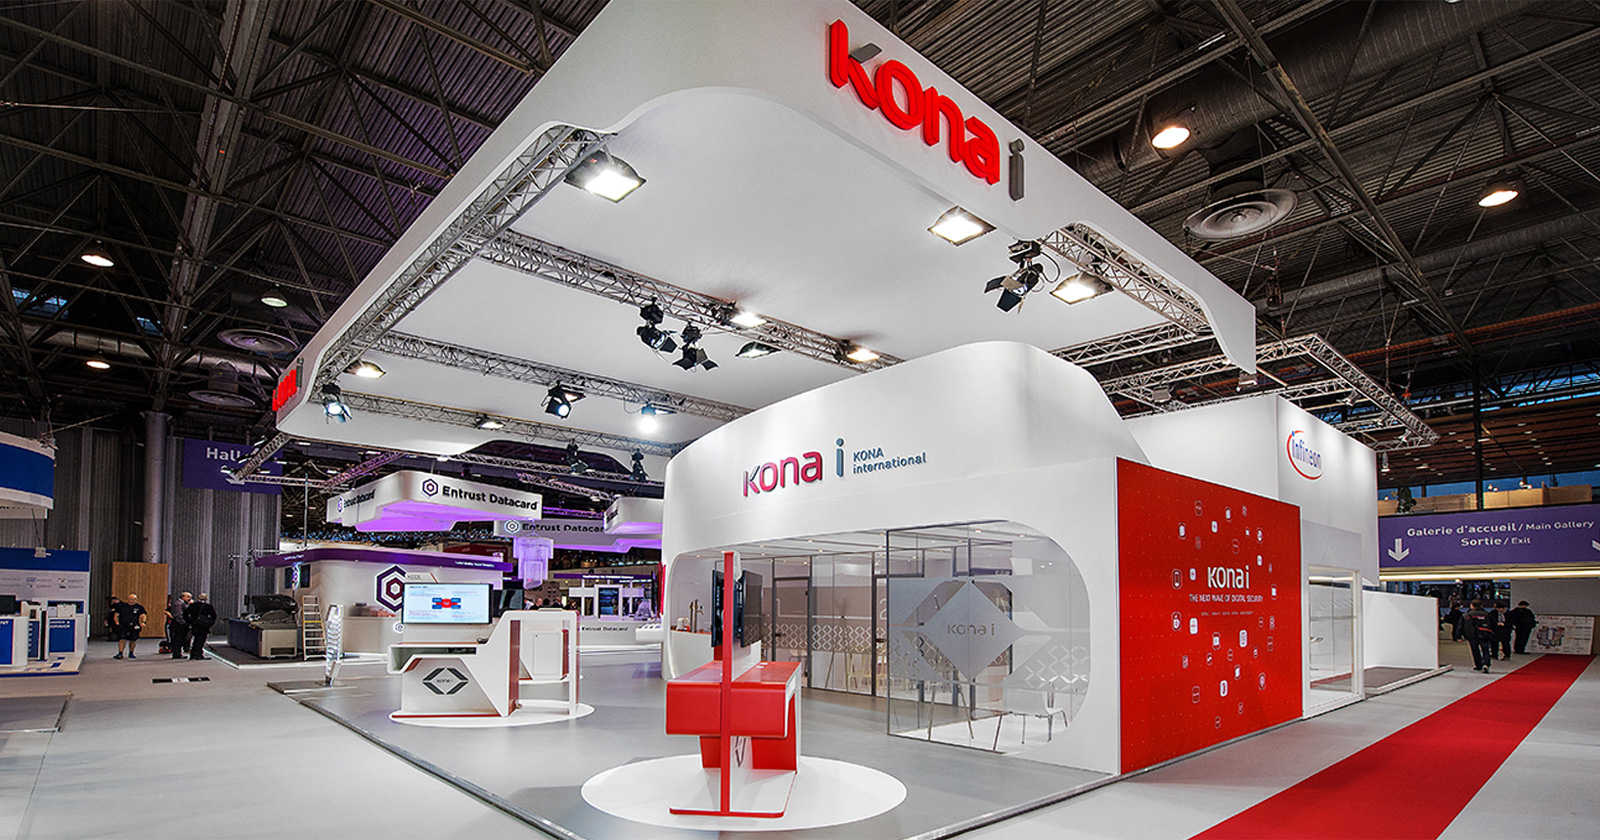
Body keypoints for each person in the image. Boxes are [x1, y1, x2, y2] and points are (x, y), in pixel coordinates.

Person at [1461, 599, 1496, 673]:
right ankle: (1486, 664)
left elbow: (1461, 625)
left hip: (1472, 635)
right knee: (1485, 650)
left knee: (1475, 650)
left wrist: (1459, 636)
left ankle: (1478, 665)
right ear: (1481, 606)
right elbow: (1493, 624)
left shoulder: (1467, 615)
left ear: (1471, 606)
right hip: (1485, 634)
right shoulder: (1487, 614)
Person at [111, 593, 147, 659]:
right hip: (123, 625)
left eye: (134, 599)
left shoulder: (139, 607)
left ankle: (131, 653)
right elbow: (116, 615)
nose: (132, 601)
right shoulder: (121, 606)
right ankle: (120, 653)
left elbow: (143, 615)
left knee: (133, 640)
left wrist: (143, 622)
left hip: (134, 626)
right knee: (122, 639)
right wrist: (117, 623)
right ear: (128, 599)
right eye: (131, 599)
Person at [183, 593, 217, 661]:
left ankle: (193, 654)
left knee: (195, 639)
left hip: (195, 625)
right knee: (201, 640)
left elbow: (185, 614)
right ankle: (198, 654)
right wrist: (209, 623)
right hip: (203, 626)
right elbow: (214, 616)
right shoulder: (208, 606)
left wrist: (190, 622)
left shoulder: (193, 605)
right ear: (206, 599)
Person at [167, 591, 193, 660]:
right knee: (178, 639)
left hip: (178, 623)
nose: (189, 599)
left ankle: (178, 653)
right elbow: (178, 614)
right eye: (188, 597)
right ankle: (177, 654)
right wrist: (183, 623)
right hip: (178, 624)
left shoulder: (181, 603)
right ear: (183, 597)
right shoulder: (179, 604)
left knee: (179, 639)